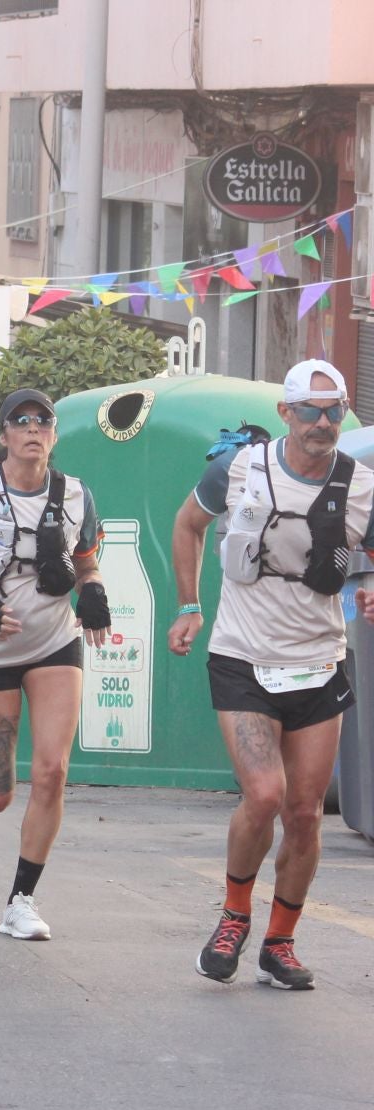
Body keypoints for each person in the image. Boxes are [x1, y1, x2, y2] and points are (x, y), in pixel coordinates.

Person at [168, 358, 374, 989]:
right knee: (264, 795)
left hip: (318, 660)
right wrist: (189, 606)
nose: (321, 421)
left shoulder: (362, 484)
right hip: (243, 657)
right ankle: (234, 916)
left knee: (307, 812)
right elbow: (186, 526)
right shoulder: (237, 469)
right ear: (284, 414)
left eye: (333, 408)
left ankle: (279, 942)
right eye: (309, 410)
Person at [0, 388, 108, 942]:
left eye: (42, 422)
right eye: (19, 422)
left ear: (53, 434)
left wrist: (92, 589)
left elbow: (86, 557)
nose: (32, 429)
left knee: (52, 771)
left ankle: (21, 899)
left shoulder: (74, 494)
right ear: (3, 436)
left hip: (53, 643)